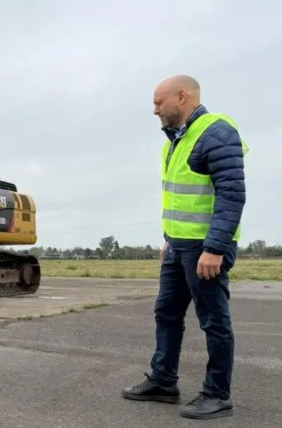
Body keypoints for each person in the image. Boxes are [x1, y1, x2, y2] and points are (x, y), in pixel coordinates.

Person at [120, 75, 248, 420]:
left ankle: (218, 394)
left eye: (159, 103)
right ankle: (163, 381)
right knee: (167, 312)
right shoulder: (176, 140)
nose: (155, 110)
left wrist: (216, 247)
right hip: (178, 246)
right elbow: (180, 196)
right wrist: (167, 238)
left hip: (205, 248)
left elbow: (231, 195)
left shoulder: (215, 132)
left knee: (214, 320)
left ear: (182, 96)